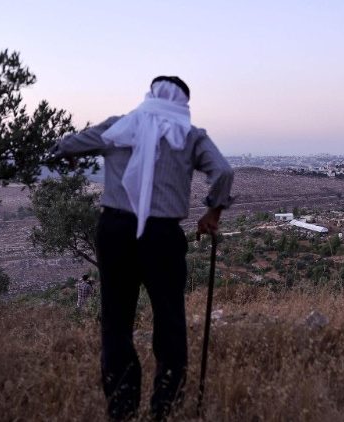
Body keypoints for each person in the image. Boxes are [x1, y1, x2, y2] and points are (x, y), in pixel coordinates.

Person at [51, 76, 234, 420]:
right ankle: (164, 408)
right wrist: (212, 213)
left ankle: (122, 409)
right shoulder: (190, 136)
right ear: (184, 103)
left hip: (116, 232)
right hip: (162, 237)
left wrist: (71, 156)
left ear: (149, 96)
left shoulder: (120, 127)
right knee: (170, 322)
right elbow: (223, 172)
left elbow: (66, 146)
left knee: (116, 322)